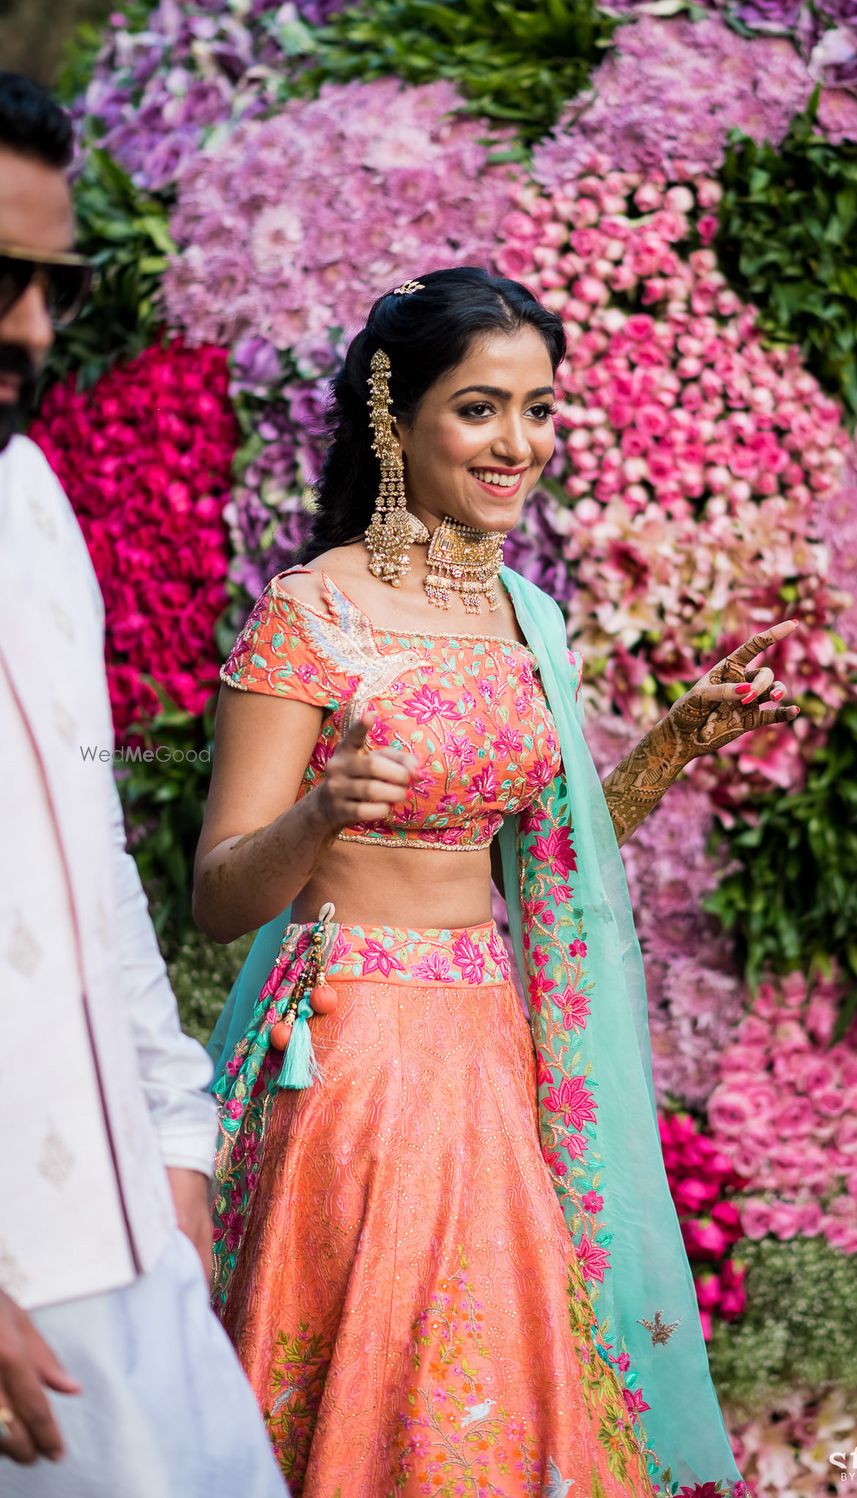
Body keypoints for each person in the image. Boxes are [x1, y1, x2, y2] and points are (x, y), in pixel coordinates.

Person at [198, 266, 797, 1497]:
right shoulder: (311, 614)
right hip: (351, 1061)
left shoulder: (527, 618)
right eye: (479, 408)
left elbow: (552, 864)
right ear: (395, 414)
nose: (516, 442)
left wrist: (670, 748)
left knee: (510, 1390)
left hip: (492, 1051)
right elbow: (218, 895)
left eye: (537, 408)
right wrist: (319, 809)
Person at [0, 71, 286, 1498]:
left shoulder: (32, 498)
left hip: (120, 1230)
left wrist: (176, 1133)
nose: (33, 330)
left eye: (52, 285)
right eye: (0, 280)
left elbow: (87, 850)